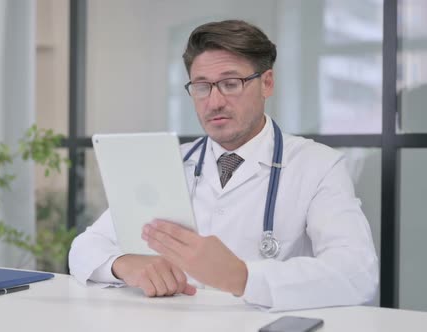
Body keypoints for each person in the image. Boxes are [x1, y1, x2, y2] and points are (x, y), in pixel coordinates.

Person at [68, 19, 378, 311]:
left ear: (266, 83)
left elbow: (357, 273)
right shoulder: (170, 161)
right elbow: (85, 247)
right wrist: (123, 264)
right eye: (202, 86)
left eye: (230, 83)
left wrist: (243, 277)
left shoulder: (317, 165)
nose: (214, 102)